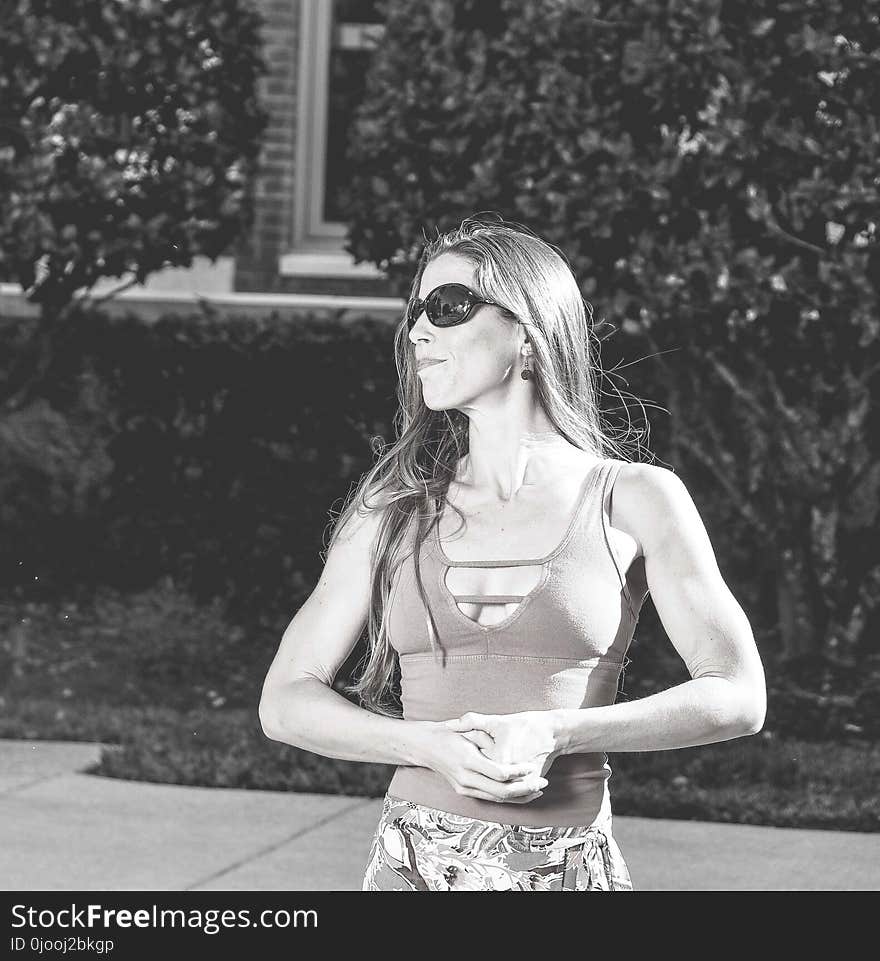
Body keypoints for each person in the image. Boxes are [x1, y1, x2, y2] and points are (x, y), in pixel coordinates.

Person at [258, 217, 767, 892]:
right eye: (416, 313)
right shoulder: (393, 508)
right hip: (413, 871)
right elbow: (285, 701)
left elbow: (737, 694)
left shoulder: (636, 498)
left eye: (448, 308)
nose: (417, 333)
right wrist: (423, 743)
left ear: (526, 330)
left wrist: (557, 730)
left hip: (567, 870)